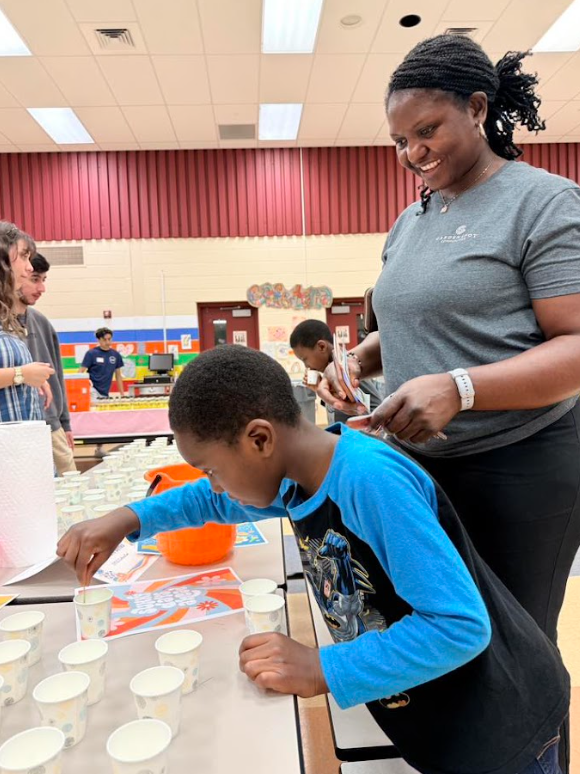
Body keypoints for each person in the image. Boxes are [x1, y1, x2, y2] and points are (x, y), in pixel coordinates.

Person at [58, 346, 568, 774]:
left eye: (211, 467)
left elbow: (458, 628)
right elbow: (211, 501)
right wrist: (126, 519)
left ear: (259, 439)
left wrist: (321, 666)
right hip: (445, 715)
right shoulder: (297, 477)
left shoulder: (368, 481)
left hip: (505, 729)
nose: (213, 482)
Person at [317, 34, 580, 771]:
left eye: (427, 131)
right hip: (427, 471)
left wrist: (461, 388)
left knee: (518, 649)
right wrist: (359, 358)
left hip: (522, 466)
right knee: (447, 635)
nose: (412, 152)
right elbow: (404, 324)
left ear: (477, 107)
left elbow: (576, 347)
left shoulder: (544, 202)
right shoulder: (413, 218)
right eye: (401, 140)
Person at [15, 252, 76, 474]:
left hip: (52, 426)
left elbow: (57, 375)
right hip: (17, 429)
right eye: (34, 279)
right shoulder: (5, 328)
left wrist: (65, 423)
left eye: (43, 280)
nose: (41, 288)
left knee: (70, 490)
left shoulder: (41, 322)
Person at [289, 319, 383, 422]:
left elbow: (377, 409)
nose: (306, 366)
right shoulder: (331, 376)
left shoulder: (345, 370)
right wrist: (322, 391)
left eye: (305, 359)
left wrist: (359, 411)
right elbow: (339, 411)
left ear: (322, 346)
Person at [0, 238, 53, 422]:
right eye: (24, 257)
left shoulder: (7, 318)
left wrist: (29, 377)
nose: (30, 267)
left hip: (19, 438)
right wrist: (21, 374)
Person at [80, 327, 125, 399]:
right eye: (104, 340)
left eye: (109, 339)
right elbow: (80, 372)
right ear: (98, 340)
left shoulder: (116, 355)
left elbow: (118, 376)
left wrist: (122, 394)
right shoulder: (91, 353)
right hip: (92, 389)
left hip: (104, 393)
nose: (107, 342)